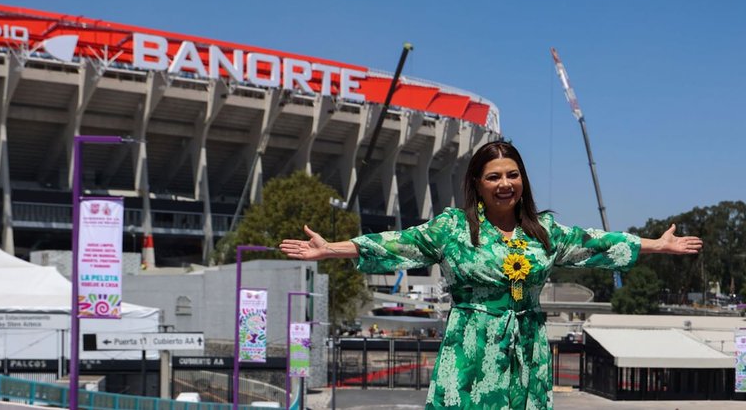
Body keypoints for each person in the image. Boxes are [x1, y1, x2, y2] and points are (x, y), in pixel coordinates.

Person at [280, 141, 702, 409]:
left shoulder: (544, 231)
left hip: (528, 343)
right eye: (494, 176)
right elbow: (397, 243)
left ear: (523, 180)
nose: (505, 183)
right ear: (478, 184)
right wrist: (331, 249)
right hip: (472, 340)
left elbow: (595, 242)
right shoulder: (453, 228)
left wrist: (657, 245)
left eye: (513, 175)